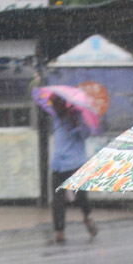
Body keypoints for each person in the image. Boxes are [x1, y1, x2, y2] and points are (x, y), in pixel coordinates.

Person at [46, 92, 97, 243]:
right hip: (58, 164)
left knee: (81, 196)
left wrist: (76, 124)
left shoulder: (77, 115)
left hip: (75, 163)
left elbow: (86, 134)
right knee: (57, 200)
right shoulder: (55, 119)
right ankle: (60, 231)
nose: (53, 108)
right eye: (52, 105)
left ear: (62, 104)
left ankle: (88, 218)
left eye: (55, 104)